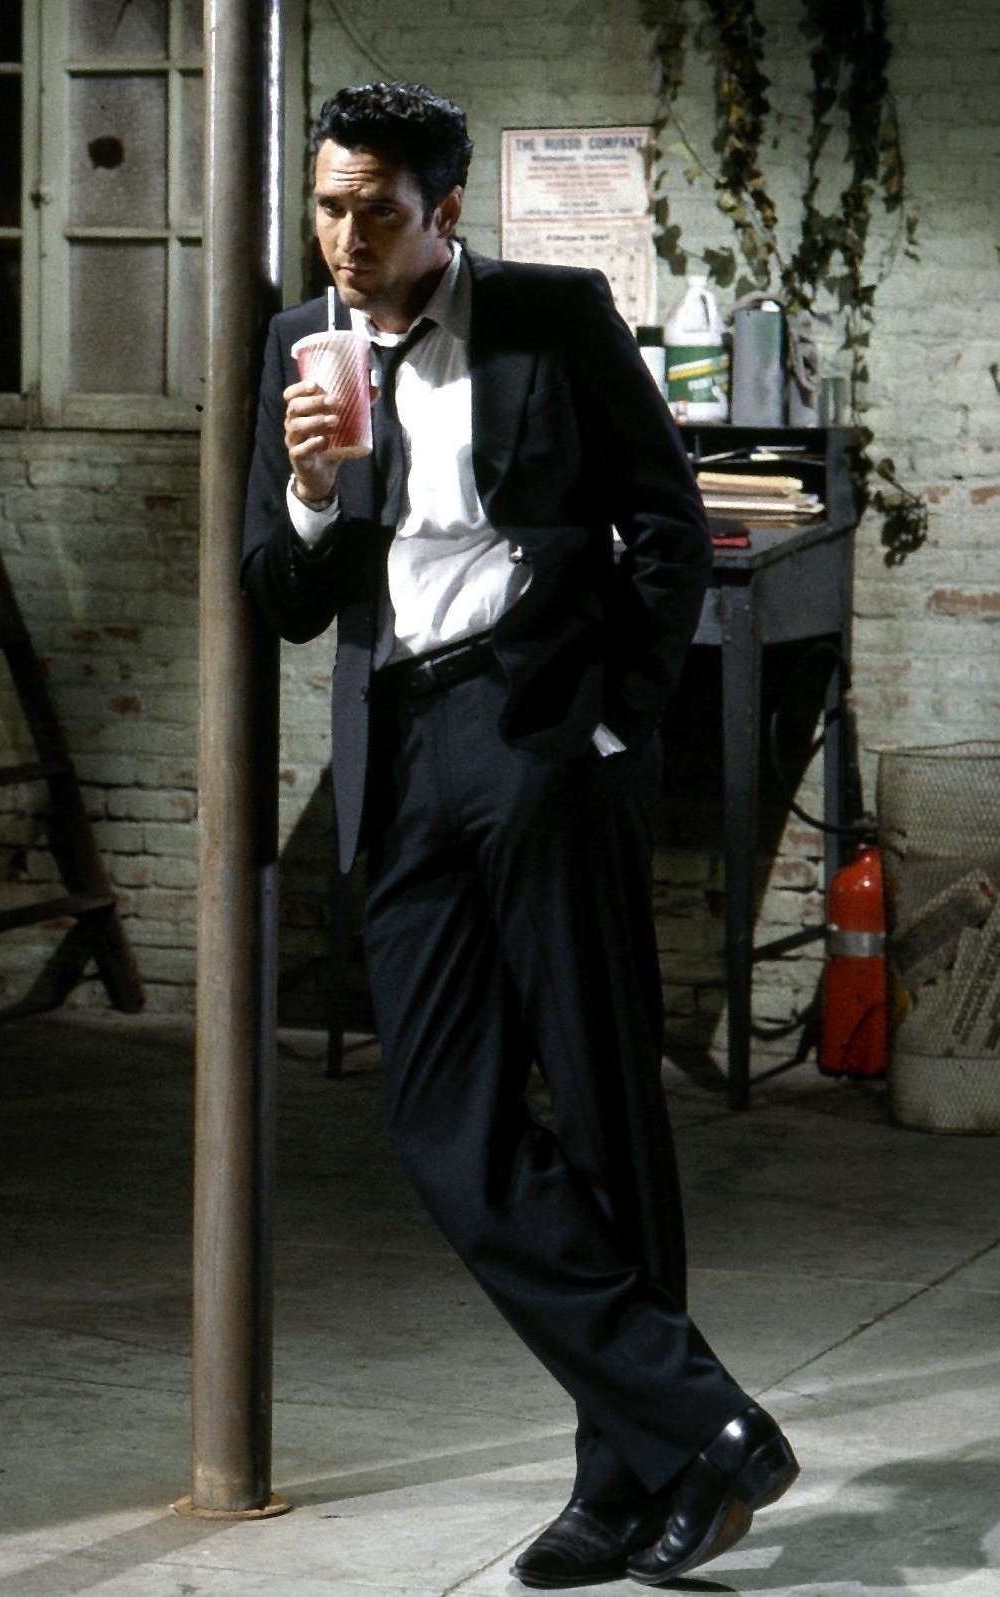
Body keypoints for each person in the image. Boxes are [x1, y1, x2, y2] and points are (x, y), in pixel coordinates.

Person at [242, 81, 798, 1588]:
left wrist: (614, 719)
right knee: (442, 1116)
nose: (344, 239)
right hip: (401, 741)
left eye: (375, 211)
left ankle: (623, 1483)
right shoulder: (300, 346)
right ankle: (704, 1423)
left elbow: (666, 523)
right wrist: (308, 490)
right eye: (327, 207)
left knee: (604, 1105)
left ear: (443, 212)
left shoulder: (552, 317)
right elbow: (279, 598)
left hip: (541, 733)